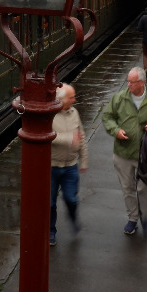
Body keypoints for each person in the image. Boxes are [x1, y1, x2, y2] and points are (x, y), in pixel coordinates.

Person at [101, 67, 147, 237]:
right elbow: (107, 117)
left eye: (132, 82)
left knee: (144, 189)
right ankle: (132, 218)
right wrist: (115, 130)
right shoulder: (120, 98)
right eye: (128, 81)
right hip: (122, 153)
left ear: (142, 82)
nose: (128, 84)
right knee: (128, 188)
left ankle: (145, 217)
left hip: (145, 155)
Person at [50, 84, 87, 246]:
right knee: (50, 203)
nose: (74, 99)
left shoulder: (74, 113)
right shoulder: (49, 115)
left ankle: (73, 219)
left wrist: (84, 159)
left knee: (71, 199)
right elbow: (48, 136)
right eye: (71, 97)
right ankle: (51, 231)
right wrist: (68, 139)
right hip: (51, 166)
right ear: (61, 99)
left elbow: (81, 137)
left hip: (71, 165)